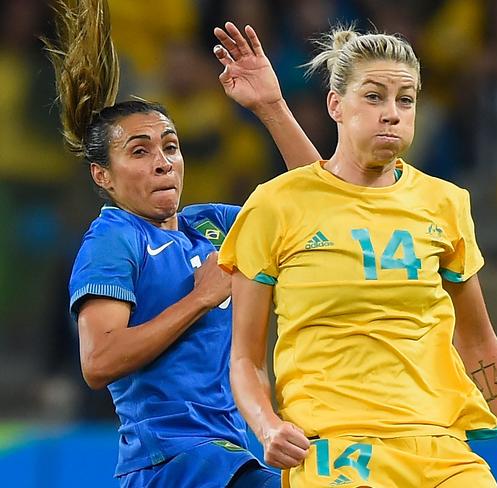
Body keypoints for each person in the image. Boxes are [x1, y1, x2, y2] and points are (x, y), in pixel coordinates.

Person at [219, 27, 497, 487]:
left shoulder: (446, 204)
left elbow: (480, 346)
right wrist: (267, 425)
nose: (391, 113)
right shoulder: (274, 206)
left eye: (405, 100)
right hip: (337, 453)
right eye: (373, 97)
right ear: (336, 105)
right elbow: (246, 361)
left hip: (443, 451)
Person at [44, 1, 318, 486]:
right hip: (170, 464)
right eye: (140, 151)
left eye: (170, 147)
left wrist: (270, 107)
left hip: (227, 453)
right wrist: (201, 298)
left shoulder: (212, 226)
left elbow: (319, 205)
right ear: (101, 175)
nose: (163, 162)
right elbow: (98, 361)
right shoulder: (114, 238)